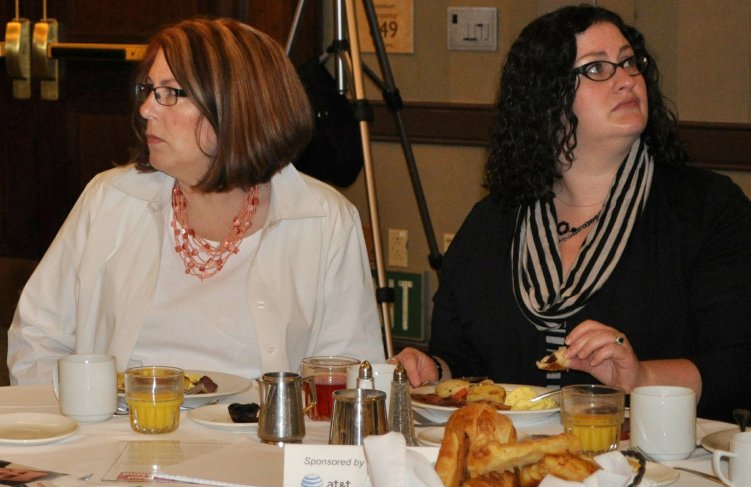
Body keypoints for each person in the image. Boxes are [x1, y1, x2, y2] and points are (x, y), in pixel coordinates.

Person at [395, 5, 751, 422]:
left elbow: (739, 365)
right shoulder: (492, 223)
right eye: (597, 68)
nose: (626, 79)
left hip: (656, 455)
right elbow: (462, 357)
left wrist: (640, 377)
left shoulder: (705, 208)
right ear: (546, 98)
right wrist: (433, 370)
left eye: (629, 62)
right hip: (515, 455)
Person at [8, 18, 385, 384]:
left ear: (237, 107)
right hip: (120, 424)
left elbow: (349, 377)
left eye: (170, 93)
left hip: (261, 427)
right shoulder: (111, 199)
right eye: (148, 89)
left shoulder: (323, 220)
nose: (146, 109)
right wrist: (83, 413)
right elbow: (38, 339)